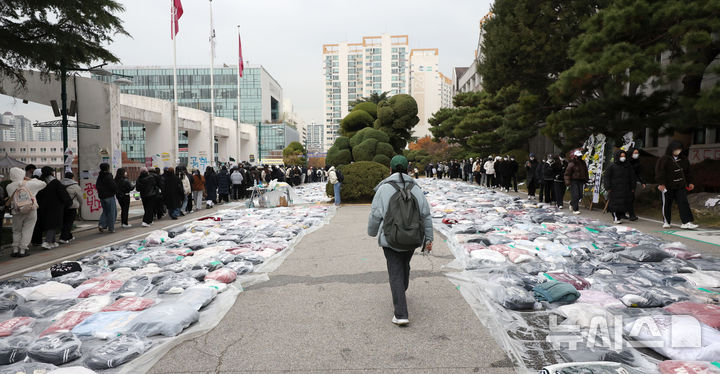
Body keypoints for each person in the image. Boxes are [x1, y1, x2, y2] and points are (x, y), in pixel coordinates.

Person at [367, 155, 433, 326]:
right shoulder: (416, 188)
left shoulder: (384, 189)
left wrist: (372, 232)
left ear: (390, 169)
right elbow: (425, 215)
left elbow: (375, 214)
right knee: (404, 265)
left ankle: (401, 313)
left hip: (390, 238)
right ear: (408, 169)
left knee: (395, 271)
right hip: (412, 238)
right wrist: (429, 239)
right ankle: (401, 291)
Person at [655, 140, 698, 229]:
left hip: (680, 185)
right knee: (667, 203)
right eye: (676, 149)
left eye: (679, 149)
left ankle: (686, 222)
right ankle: (666, 221)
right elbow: (660, 172)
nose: (678, 151)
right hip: (667, 185)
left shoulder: (683, 159)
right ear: (671, 149)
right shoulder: (664, 159)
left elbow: (688, 172)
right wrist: (661, 183)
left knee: (683, 202)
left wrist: (690, 182)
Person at [7, 167, 46, 256]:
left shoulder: (9, 186)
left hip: (16, 211)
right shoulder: (29, 184)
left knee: (16, 230)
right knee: (27, 229)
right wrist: (30, 179)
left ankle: (15, 249)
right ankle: (23, 250)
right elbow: (43, 184)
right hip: (30, 209)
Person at [34, 166, 71, 249]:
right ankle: (48, 241)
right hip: (55, 206)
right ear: (51, 172)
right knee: (53, 224)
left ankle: (53, 242)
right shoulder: (55, 182)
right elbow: (63, 194)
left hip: (42, 206)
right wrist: (68, 203)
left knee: (48, 223)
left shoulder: (40, 181)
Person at [605, 150, 636, 224]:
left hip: (625, 188)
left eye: (624, 156)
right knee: (615, 203)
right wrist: (608, 187)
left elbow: (632, 177)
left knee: (623, 203)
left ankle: (620, 216)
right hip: (614, 189)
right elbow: (606, 177)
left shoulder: (628, 166)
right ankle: (616, 217)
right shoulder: (611, 166)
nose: (623, 158)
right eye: (621, 156)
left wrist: (632, 187)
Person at [60, 172, 82, 244]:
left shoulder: (60, 184)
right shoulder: (75, 186)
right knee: (69, 223)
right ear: (72, 177)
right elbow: (80, 197)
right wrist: (80, 205)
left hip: (62, 206)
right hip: (72, 206)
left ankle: (69, 236)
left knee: (64, 222)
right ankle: (63, 238)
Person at [564, 149, 589, 215]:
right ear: (575, 156)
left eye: (580, 155)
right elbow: (567, 174)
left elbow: (585, 172)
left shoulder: (583, 163)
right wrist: (567, 182)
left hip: (581, 181)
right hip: (573, 181)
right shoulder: (572, 163)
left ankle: (572, 203)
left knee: (580, 195)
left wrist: (586, 180)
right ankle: (575, 209)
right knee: (575, 195)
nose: (579, 157)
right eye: (578, 156)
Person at [96, 163, 118, 233]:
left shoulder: (100, 176)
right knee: (112, 212)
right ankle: (111, 228)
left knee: (105, 211)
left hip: (102, 197)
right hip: (109, 196)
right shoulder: (109, 176)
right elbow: (113, 186)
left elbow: (97, 186)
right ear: (108, 168)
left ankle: (101, 224)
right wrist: (115, 191)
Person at [627, 148, 645, 221]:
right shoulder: (626, 162)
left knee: (631, 198)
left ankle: (631, 215)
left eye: (637, 153)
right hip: (625, 182)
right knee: (625, 198)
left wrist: (642, 182)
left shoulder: (637, 162)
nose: (636, 154)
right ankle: (623, 214)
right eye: (635, 153)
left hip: (632, 183)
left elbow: (639, 173)